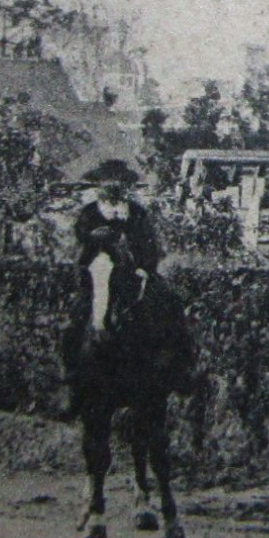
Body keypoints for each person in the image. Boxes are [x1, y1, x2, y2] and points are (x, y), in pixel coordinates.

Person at [60, 159, 161, 399]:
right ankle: (72, 377)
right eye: (108, 180)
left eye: (119, 181)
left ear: (125, 185)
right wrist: (94, 236)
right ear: (100, 184)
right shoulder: (90, 212)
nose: (113, 185)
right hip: (97, 271)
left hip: (131, 274)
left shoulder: (136, 213)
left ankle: (160, 377)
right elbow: (82, 234)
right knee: (75, 320)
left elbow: (149, 243)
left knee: (159, 311)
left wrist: (145, 268)